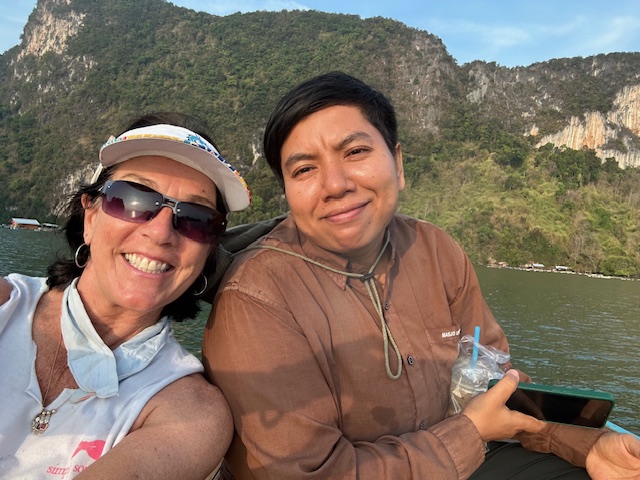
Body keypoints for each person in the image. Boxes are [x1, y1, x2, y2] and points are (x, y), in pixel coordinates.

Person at [202, 72, 640, 479]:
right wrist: (469, 433)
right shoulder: (258, 296)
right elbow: (310, 474)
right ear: (288, 192)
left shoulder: (435, 249)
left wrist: (584, 444)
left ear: (398, 163)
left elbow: (492, 383)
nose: (335, 185)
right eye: (304, 170)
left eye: (355, 152)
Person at [0, 112, 252, 479]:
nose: (161, 233)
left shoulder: (188, 412)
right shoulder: (6, 306)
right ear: (90, 218)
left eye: (197, 218)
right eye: (133, 199)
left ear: (207, 254)